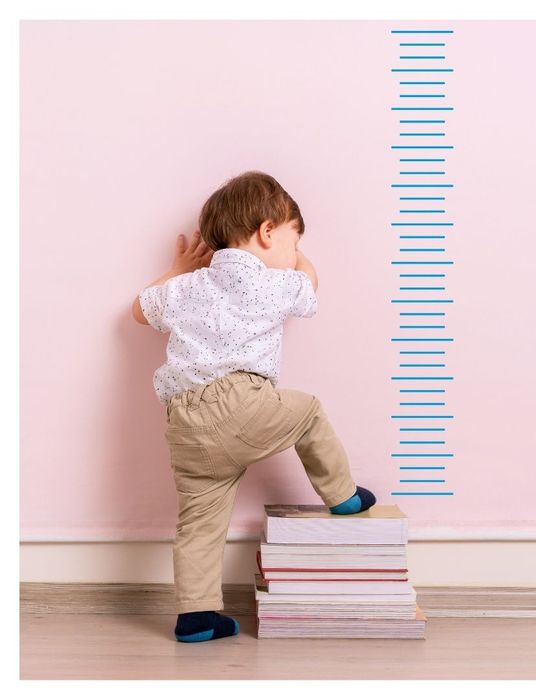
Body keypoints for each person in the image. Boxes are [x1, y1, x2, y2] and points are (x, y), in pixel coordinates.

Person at [131, 170, 376, 643]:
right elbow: (310, 283)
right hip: (238, 402)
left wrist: (178, 270)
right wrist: (297, 256)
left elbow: (139, 311)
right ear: (267, 231)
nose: (293, 252)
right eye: (291, 238)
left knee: (199, 522)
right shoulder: (270, 281)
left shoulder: (186, 288)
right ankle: (341, 493)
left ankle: (196, 616)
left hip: (184, 423)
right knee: (307, 410)